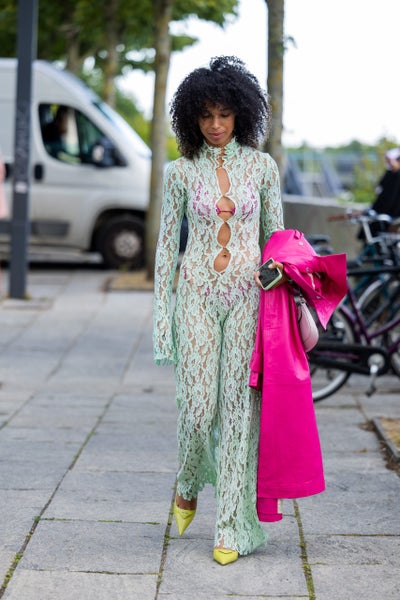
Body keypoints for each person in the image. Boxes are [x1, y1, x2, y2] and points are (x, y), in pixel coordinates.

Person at [153, 56, 286, 565]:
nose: (215, 124)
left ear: (240, 115)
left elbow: (278, 240)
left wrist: (276, 273)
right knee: (196, 409)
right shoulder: (179, 172)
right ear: (192, 117)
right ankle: (188, 480)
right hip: (196, 295)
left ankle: (230, 524)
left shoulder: (262, 167)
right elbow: (166, 249)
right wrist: (162, 321)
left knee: (237, 411)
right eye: (206, 115)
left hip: (248, 299)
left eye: (224, 114)